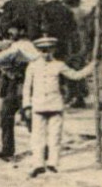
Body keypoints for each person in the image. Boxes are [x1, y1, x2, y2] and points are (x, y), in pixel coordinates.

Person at [21, 36, 93, 177]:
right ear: (38, 51)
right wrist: (27, 106)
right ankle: (38, 164)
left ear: (53, 50)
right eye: (42, 50)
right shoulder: (33, 66)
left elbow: (75, 75)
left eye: (49, 50)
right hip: (38, 105)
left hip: (55, 105)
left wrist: (92, 66)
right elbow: (26, 88)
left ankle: (53, 163)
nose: (46, 53)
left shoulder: (59, 65)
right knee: (37, 137)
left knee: (55, 136)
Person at [0, 23, 39, 161]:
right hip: (12, 84)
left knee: (28, 115)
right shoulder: (13, 45)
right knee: (5, 114)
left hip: (23, 84)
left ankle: (41, 147)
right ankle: (7, 148)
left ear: (22, 30)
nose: (10, 33)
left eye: (13, 30)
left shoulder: (27, 45)